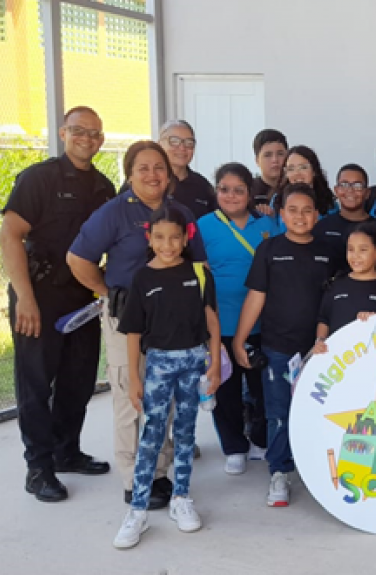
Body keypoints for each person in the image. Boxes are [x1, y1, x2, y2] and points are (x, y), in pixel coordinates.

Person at [68, 140, 207, 509]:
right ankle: (134, 478)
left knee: (163, 398)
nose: (152, 174)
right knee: (132, 396)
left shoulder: (182, 214)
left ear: (168, 172)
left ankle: (159, 473)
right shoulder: (113, 213)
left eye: (158, 167)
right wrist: (108, 293)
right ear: (129, 173)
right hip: (127, 320)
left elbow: (199, 269)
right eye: (142, 167)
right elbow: (78, 259)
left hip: (172, 323)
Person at [0, 106, 115, 502]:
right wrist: (25, 299)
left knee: (78, 378)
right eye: (80, 131)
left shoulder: (103, 186)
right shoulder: (39, 179)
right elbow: (11, 235)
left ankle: (67, 451)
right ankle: (39, 468)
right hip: (41, 293)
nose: (88, 139)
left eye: (96, 134)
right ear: (64, 132)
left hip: (81, 295)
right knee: (36, 381)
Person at [112, 205, 222, 549]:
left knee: (186, 433)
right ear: (149, 238)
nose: (167, 244)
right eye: (159, 237)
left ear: (186, 237)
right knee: (151, 435)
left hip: (193, 363)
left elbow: (212, 322)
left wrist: (215, 364)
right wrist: (134, 378)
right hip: (158, 365)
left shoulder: (199, 273)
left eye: (175, 237)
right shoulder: (143, 278)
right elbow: (132, 333)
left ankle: (181, 498)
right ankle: (138, 510)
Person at [231, 183, 339, 508]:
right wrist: (239, 340)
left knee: (324, 411)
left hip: (320, 351)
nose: (300, 216)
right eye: (292, 210)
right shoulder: (270, 249)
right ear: (281, 214)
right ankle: (279, 472)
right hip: (278, 347)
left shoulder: (329, 252)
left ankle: (321, 471)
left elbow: (339, 299)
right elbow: (255, 296)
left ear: (318, 214)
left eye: (307, 210)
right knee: (279, 412)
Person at [197, 163, 278, 475]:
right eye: (224, 189)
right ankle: (233, 447)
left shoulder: (267, 223)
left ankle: (259, 439)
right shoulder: (204, 226)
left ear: (250, 192)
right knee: (226, 389)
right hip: (220, 323)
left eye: (238, 189)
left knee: (261, 388)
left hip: (262, 322)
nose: (231, 195)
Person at [314, 222, 376, 341]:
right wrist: (320, 340)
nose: (355, 256)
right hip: (338, 358)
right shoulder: (335, 285)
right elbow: (324, 320)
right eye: (351, 249)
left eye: (363, 250)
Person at [313, 164, 373, 275]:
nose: (350, 190)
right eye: (344, 184)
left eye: (357, 185)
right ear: (336, 190)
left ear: (367, 193)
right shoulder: (322, 227)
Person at [157, 120, 217, 219]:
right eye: (174, 141)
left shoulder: (202, 186)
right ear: (159, 144)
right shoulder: (148, 181)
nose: (182, 148)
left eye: (189, 143)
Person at [270, 145, 335, 217]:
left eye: (303, 167)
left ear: (314, 170)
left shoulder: (329, 202)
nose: (297, 173)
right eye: (291, 169)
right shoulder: (277, 199)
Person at [251, 129, 288, 210]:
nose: (275, 160)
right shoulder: (248, 191)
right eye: (267, 155)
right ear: (257, 160)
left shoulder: (295, 188)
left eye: (280, 154)